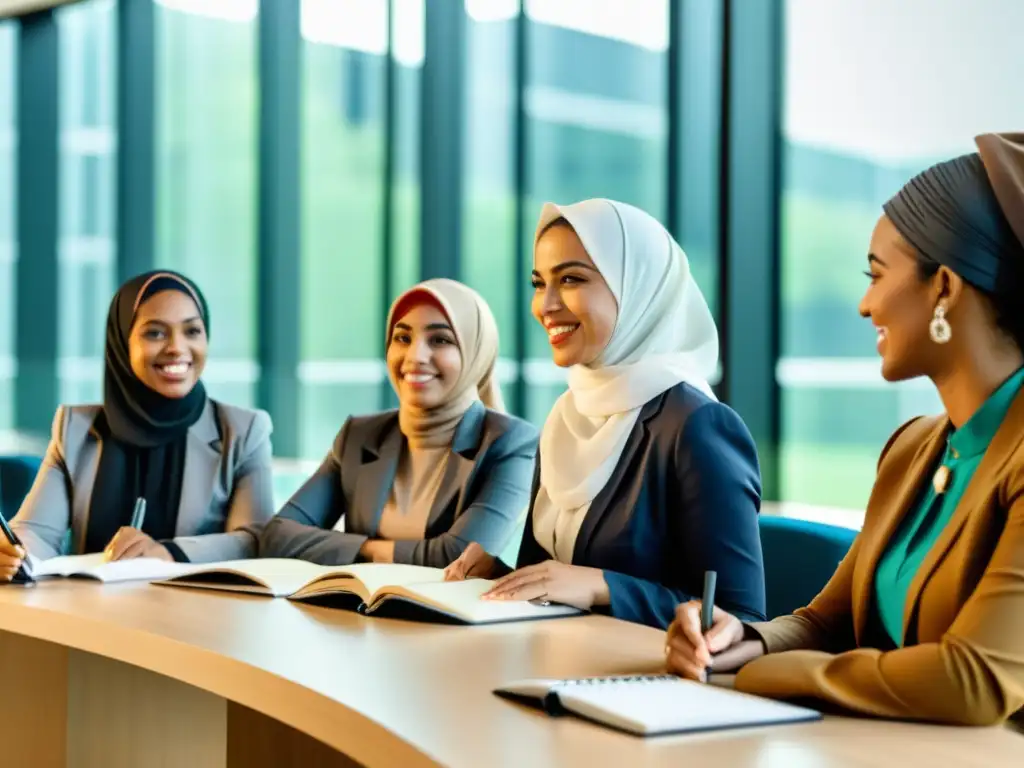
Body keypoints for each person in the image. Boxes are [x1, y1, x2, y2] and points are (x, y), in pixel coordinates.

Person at [665, 132, 1024, 728]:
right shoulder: (913, 449)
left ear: (945, 287)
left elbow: (974, 680)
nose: (864, 304)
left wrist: (756, 676)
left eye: (877, 275)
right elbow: (823, 623)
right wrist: (742, 641)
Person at [444, 199, 766, 630]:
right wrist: (503, 577)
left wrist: (603, 586)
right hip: (556, 667)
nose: (546, 305)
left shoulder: (698, 426)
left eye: (572, 279)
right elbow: (560, 584)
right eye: (538, 283)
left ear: (637, 287)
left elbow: (740, 618)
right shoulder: (567, 416)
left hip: (644, 684)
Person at [0, 270, 275, 582]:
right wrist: (14, 552)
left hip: (198, 619)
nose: (176, 347)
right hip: (88, 615)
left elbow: (254, 539)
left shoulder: (243, 430)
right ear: (121, 342)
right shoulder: (75, 428)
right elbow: (36, 530)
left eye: (192, 331)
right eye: (155, 333)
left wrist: (167, 552)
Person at [259, 279, 537, 568]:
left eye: (440, 340)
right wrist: (371, 549)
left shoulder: (512, 443)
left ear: (476, 353)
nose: (415, 357)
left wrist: (355, 551)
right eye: (403, 338)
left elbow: (459, 557)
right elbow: (278, 536)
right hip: (356, 609)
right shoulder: (360, 435)